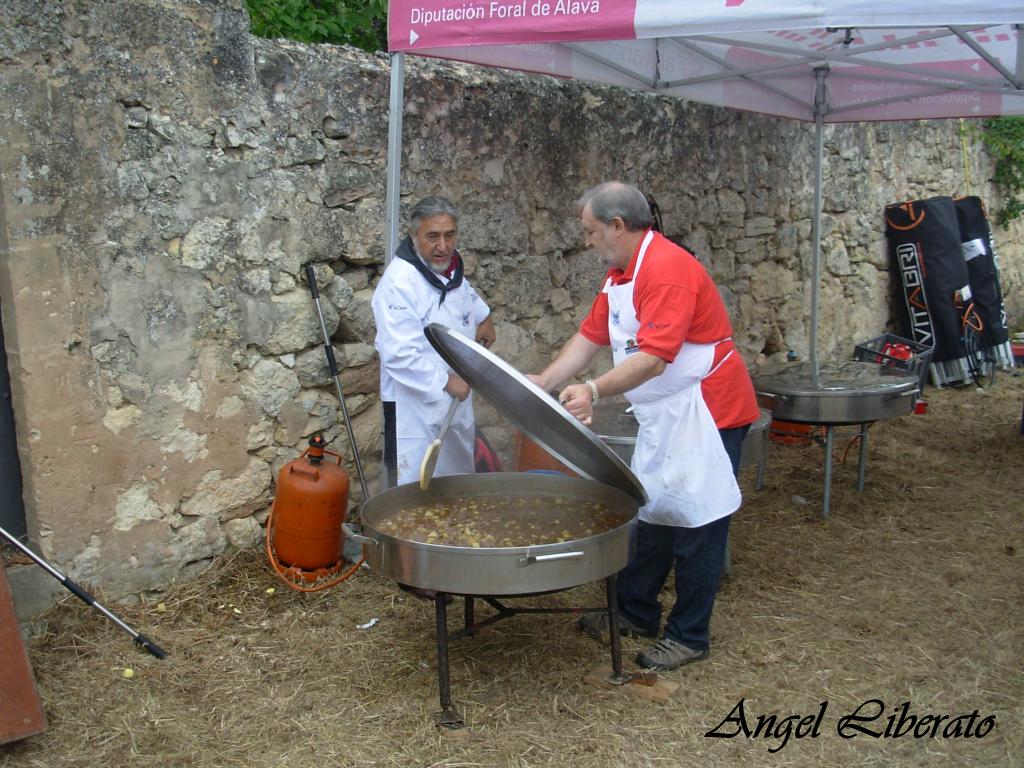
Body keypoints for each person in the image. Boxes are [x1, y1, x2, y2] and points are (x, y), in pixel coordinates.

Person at [530, 182, 759, 671]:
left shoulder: (668, 269)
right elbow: (591, 334)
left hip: (707, 409)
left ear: (617, 226)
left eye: (592, 231)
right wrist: (544, 381)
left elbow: (655, 359)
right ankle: (635, 611)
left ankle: (689, 635)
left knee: (699, 522)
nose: (587, 241)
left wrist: (592, 391)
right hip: (667, 413)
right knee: (652, 511)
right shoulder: (620, 275)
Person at [372, 196, 495, 491]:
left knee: (456, 483)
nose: (443, 246)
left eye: (449, 235)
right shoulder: (399, 283)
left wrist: (484, 316)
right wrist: (446, 381)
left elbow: (462, 291)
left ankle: (457, 535)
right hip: (413, 407)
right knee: (412, 491)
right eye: (432, 236)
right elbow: (398, 354)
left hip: (455, 400)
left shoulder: (449, 268)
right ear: (414, 236)